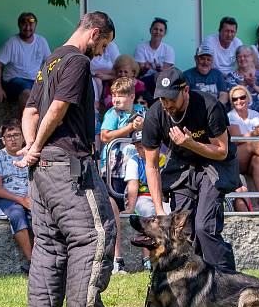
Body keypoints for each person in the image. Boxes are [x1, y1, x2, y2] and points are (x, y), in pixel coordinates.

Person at [17, 11, 119, 307]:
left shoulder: (51, 60)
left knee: (49, 241)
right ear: (93, 34)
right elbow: (57, 109)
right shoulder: (77, 62)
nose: (101, 52)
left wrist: (34, 146)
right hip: (68, 164)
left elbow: (30, 110)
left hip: (43, 167)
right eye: (103, 44)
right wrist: (36, 146)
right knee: (96, 235)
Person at [141, 68, 241, 272]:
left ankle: (227, 280)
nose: (166, 104)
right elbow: (151, 165)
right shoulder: (155, 115)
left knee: (204, 228)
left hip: (213, 164)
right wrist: (160, 211)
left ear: (185, 90)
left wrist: (190, 143)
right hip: (181, 166)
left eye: (170, 98)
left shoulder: (209, 106)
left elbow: (222, 151)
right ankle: (191, 284)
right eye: (162, 99)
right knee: (182, 231)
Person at [99, 77, 145, 275]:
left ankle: (148, 260)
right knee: (113, 212)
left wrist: (142, 126)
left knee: (144, 210)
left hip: (136, 170)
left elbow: (151, 134)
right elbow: (105, 136)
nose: (116, 100)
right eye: (114, 95)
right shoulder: (112, 113)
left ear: (132, 96)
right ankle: (117, 260)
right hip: (112, 170)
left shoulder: (142, 112)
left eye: (121, 96)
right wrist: (130, 128)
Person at [0, 119, 33, 270]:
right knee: (17, 213)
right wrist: (21, 200)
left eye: (17, 135)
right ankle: (31, 261)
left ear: (23, 137)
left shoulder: (30, 155)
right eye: (9, 136)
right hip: (5, 199)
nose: (13, 139)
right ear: (3, 140)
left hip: (29, 197)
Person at [121, 129, 166, 272]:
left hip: (161, 197)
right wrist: (130, 208)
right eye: (137, 147)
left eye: (142, 145)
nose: (140, 149)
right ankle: (148, 258)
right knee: (149, 214)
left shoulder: (162, 158)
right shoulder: (134, 161)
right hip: (143, 197)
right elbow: (133, 186)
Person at [0, 12, 51, 109]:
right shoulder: (11, 42)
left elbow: (50, 62)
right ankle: (24, 123)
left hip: (34, 81)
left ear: (35, 25)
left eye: (31, 24)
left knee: (53, 95)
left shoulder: (41, 41)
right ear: (19, 25)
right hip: (13, 80)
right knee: (27, 93)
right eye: (24, 23)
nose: (27, 28)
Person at [225, 45, 259, 113]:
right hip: (243, 112)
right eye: (239, 57)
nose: (242, 59)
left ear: (251, 57)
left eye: (245, 56)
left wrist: (254, 86)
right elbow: (232, 97)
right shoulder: (231, 76)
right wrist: (244, 84)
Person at [134, 17, 175, 94]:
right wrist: (145, 68)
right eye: (155, 29)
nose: (158, 32)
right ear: (150, 30)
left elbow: (167, 72)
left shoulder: (169, 50)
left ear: (164, 33)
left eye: (161, 30)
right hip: (145, 80)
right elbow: (138, 73)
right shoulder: (141, 48)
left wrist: (159, 69)